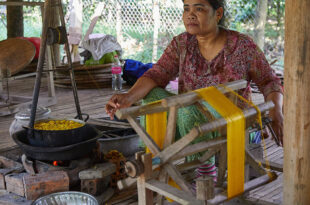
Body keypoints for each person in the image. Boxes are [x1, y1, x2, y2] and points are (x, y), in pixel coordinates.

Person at [106, 0, 283, 180]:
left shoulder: (242, 46)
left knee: (188, 112)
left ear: (218, 13)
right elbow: (158, 73)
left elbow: (269, 81)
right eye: (186, 8)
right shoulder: (182, 44)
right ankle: (151, 157)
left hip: (229, 121)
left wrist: (276, 111)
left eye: (199, 8)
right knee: (153, 96)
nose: (190, 14)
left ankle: (205, 174)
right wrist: (128, 97)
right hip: (190, 121)